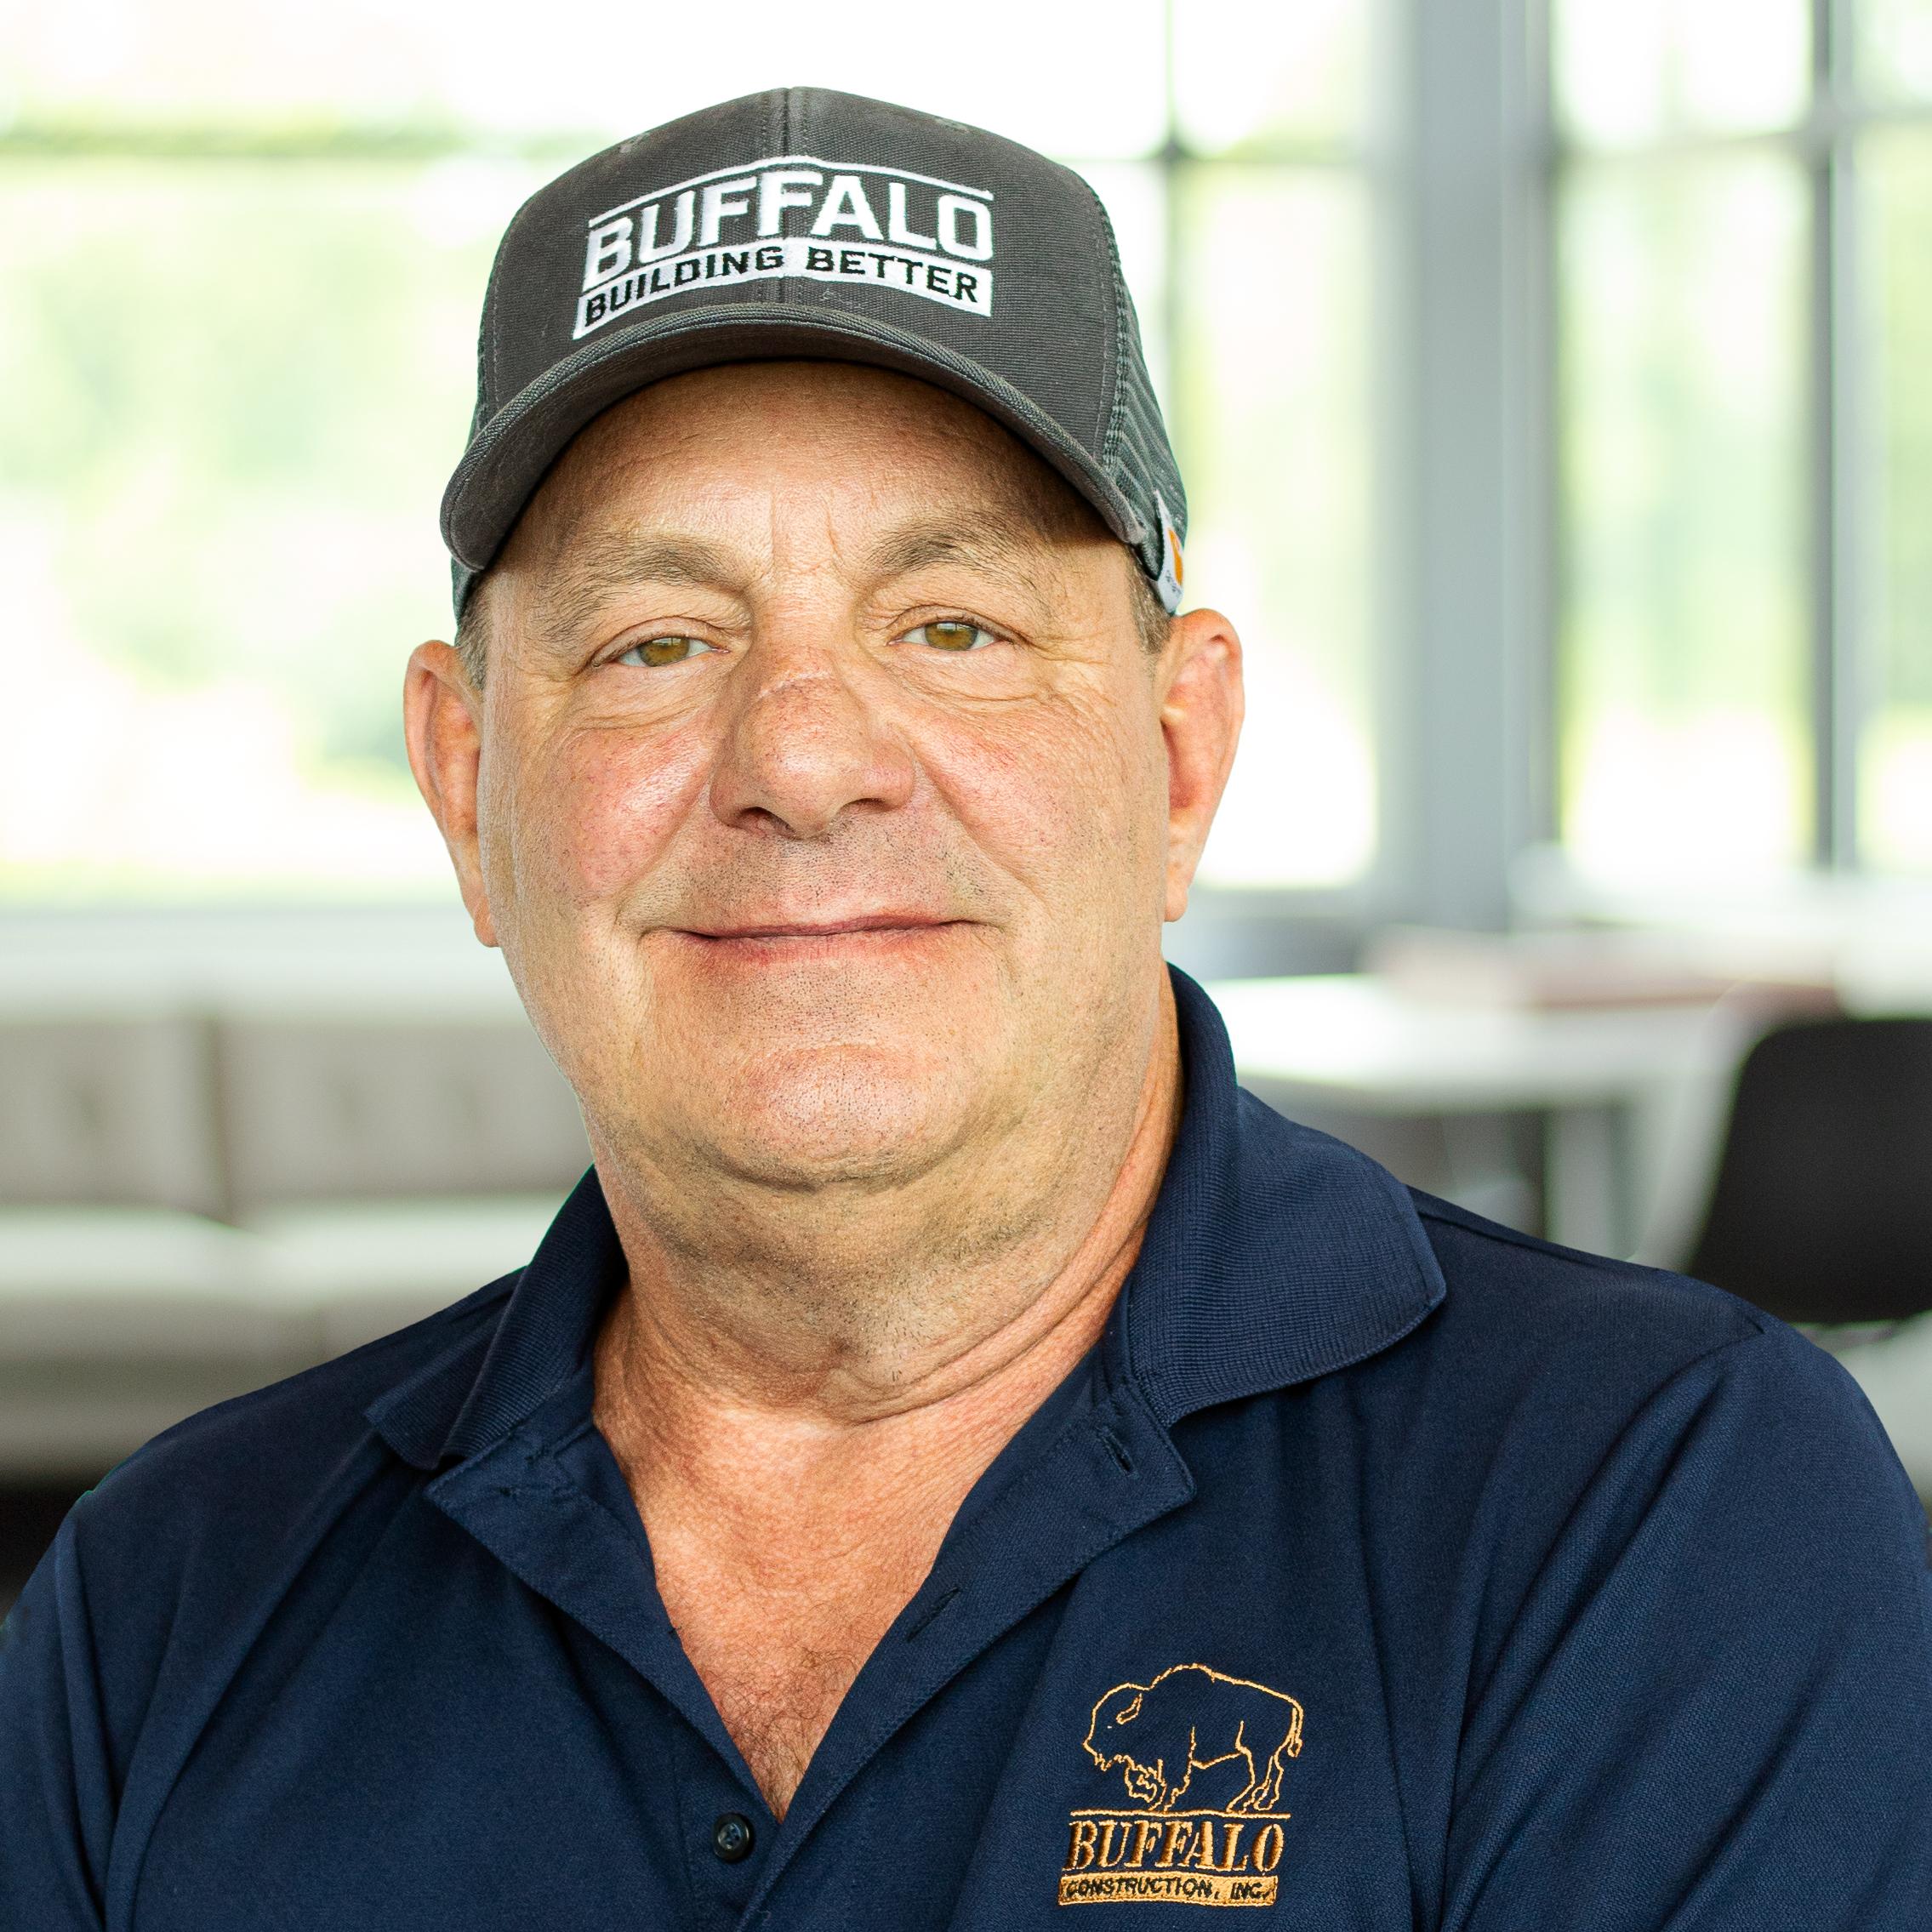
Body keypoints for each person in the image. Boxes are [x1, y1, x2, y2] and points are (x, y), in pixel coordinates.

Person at [2, 88, 1928, 1930]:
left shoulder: (1655, 1508)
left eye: (955, 627)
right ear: (466, 787)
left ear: (1177, 756)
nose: (806, 756)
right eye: (655, 641)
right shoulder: (168, 1600)